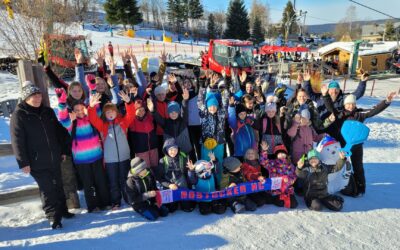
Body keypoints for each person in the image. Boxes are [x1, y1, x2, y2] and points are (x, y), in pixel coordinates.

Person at [10, 81, 74, 229]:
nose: (38, 98)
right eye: (34, 95)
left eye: (39, 94)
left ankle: (63, 210)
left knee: (58, 185)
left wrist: (64, 150)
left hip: (54, 157)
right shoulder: (19, 115)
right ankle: (53, 216)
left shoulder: (47, 112)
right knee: (47, 189)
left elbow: (59, 132)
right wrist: (23, 162)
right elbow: (17, 140)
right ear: (26, 98)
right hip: (36, 161)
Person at [322, 86, 396, 196]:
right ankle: (339, 185)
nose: (350, 106)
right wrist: (325, 95)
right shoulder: (339, 113)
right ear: (344, 105)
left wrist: (386, 101)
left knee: (358, 167)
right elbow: (330, 107)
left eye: (352, 104)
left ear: (355, 104)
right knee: (339, 165)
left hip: (356, 145)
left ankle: (361, 187)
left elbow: (373, 111)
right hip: (341, 146)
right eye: (348, 104)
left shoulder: (360, 114)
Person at [57, 90, 110, 213]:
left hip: (97, 156)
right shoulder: (71, 124)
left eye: (82, 109)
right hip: (81, 160)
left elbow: (96, 109)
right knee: (88, 183)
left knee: (100, 181)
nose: (80, 112)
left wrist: (93, 89)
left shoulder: (91, 119)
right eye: (77, 110)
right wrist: (61, 103)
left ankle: (105, 203)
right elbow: (63, 118)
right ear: (73, 112)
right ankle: (93, 206)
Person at [88, 91, 135, 210]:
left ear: (116, 112)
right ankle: (116, 202)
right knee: (113, 182)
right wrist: (92, 107)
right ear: (105, 114)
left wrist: (128, 102)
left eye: (112, 111)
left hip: (124, 157)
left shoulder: (123, 123)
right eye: (107, 112)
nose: (110, 113)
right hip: (110, 160)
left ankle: (129, 198)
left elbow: (131, 114)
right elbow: (93, 118)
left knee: (126, 180)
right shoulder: (103, 125)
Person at [156, 138, 196, 213]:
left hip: (182, 186)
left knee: (188, 208)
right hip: (170, 187)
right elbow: (160, 178)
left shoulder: (183, 159)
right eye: (171, 149)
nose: (173, 151)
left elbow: (190, 179)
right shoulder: (162, 161)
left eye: (175, 149)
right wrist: (169, 185)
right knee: (171, 209)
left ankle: (184, 202)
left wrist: (191, 170)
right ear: (166, 150)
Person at [259, 143, 298, 208]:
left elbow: (294, 176)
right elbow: (263, 162)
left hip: (287, 190)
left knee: (294, 205)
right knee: (280, 203)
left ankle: (280, 198)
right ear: (276, 155)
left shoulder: (290, 165)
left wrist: (289, 180)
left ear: (286, 154)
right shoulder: (272, 163)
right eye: (279, 154)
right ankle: (272, 199)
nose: (281, 155)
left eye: (283, 153)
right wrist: (264, 151)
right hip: (276, 190)